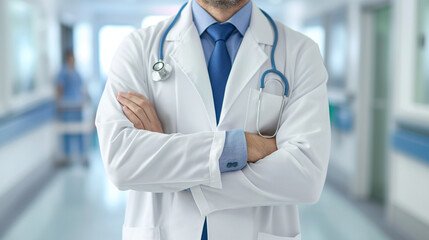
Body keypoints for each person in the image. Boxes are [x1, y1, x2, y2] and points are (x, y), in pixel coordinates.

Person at [96, 0, 330, 239]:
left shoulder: (300, 52)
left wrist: (174, 169)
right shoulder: (137, 48)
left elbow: (305, 175)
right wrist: (241, 147)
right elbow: (121, 161)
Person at [57, 50, 88, 165]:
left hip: (78, 106)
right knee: (67, 132)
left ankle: (82, 155)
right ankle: (66, 156)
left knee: (80, 131)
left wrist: (85, 99)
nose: (73, 60)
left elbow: (82, 88)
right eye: (72, 58)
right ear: (68, 59)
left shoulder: (76, 73)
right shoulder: (63, 73)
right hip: (67, 107)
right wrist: (59, 104)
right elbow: (60, 88)